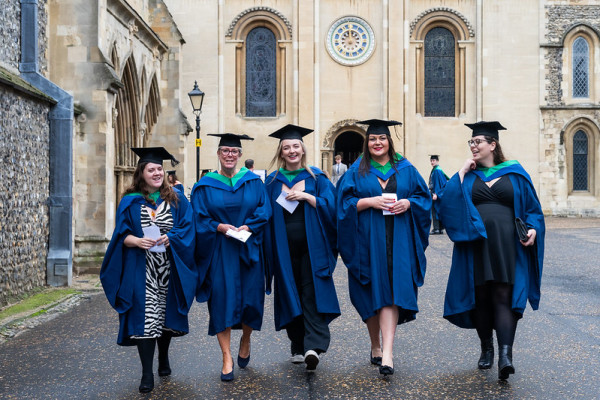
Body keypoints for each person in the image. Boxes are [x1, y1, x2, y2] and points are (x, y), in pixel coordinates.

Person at [437, 121, 545, 380]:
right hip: (476, 244)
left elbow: (533, 210)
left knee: (503, 296)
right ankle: (487, 348)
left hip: (508, 246)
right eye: (471, 143)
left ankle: (505, 356)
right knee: (481, 298)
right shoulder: (469, 176)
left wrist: (533, 229)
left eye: (478, 142)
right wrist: (462, 171)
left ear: (492, 145)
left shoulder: (515, 174)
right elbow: (447, 203)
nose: (473, 146)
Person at [337, 119, 431, 376]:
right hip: (366, 240)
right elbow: (343, 206)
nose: (377, 143)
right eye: (372, 139)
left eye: (382, 139)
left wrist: (409, 204)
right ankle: (375, 345)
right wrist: (368, 201)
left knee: (392, 291)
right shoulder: (356, 170)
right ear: (367, 144)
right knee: (370, 292)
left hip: (398, 239)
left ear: (390, 141)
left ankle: (388, 353)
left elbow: (423, 197)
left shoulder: (406, 169)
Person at [100, 147, 197, 393]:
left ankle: (163, 357)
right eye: (151, 169)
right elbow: (120, 236)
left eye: (159, 169)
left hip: (169, 266)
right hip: (141, 269)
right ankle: (146, 373)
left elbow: (188, 227)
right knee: (145, 318)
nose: (156, 173)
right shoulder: (130, 201)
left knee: (164, 317)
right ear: (141, 173)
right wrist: (137, 241)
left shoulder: (176, 198)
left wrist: (170, 237)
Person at [191, 133, 271, 382]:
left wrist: (248, 226)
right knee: (221, 302)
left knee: (251, 301)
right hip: (220, 250)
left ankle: (245, 339)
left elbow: (264, 209)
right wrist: (219, 227)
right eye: (225, 150)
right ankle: (226, 357)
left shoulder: (253, 182)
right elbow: (199, 217)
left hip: (248, 248)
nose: (229, 155)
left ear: (239, 155)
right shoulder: (204, 185)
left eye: (233, 151)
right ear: (218, 154)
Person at [264, 124, 341, 371]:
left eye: (295, 146)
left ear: (303, 149)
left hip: (313, 246)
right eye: (286, 147)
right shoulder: (272, 181)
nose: (291, 150)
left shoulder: (316, 177)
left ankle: (313, 346)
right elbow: (262, 213)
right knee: (290, 291)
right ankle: (297, 344)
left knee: (311, 291)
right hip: (283, 248)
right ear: (281, 152)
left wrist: (309, 197)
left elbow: (333, 207)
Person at [428, 155, 449, 234]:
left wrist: (435, 193)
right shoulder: (438, 170)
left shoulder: (436, 171)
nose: (432, 162)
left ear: (437, 161)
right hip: (439, 193)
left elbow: (436, 184)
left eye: (433, 160)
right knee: (438, 210)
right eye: (431, 161)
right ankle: (440, 228)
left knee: (435, 211)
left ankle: (436, 229)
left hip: (436, 194)